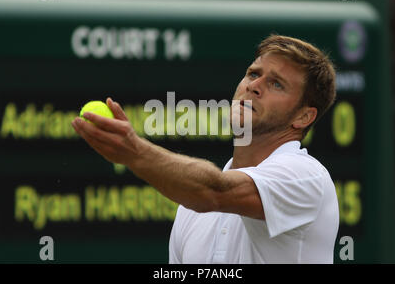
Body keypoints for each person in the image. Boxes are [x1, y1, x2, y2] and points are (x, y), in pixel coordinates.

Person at [71, 34, 339, 264]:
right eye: (253, 74)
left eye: (276, 84)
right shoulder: (190, 210)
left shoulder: (306, 176)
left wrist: (134, 152)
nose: (254, 86)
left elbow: (214, 191)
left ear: (303, 117)